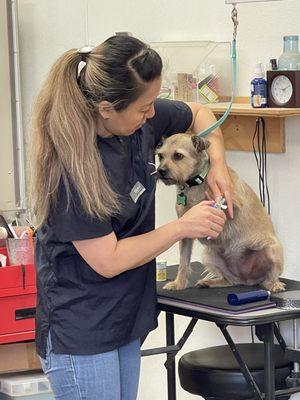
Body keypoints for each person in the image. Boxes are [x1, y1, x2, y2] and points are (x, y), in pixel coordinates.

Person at [29, 35, 233, 400]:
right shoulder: (71, 166)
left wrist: (219, 165)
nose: (152, 115)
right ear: (106, 107)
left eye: (153, 103)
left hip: (125, 318)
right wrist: (183, 226)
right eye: (144, 108)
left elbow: (200, 114)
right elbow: (108, 260)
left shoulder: (137, 124)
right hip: (82, 330)